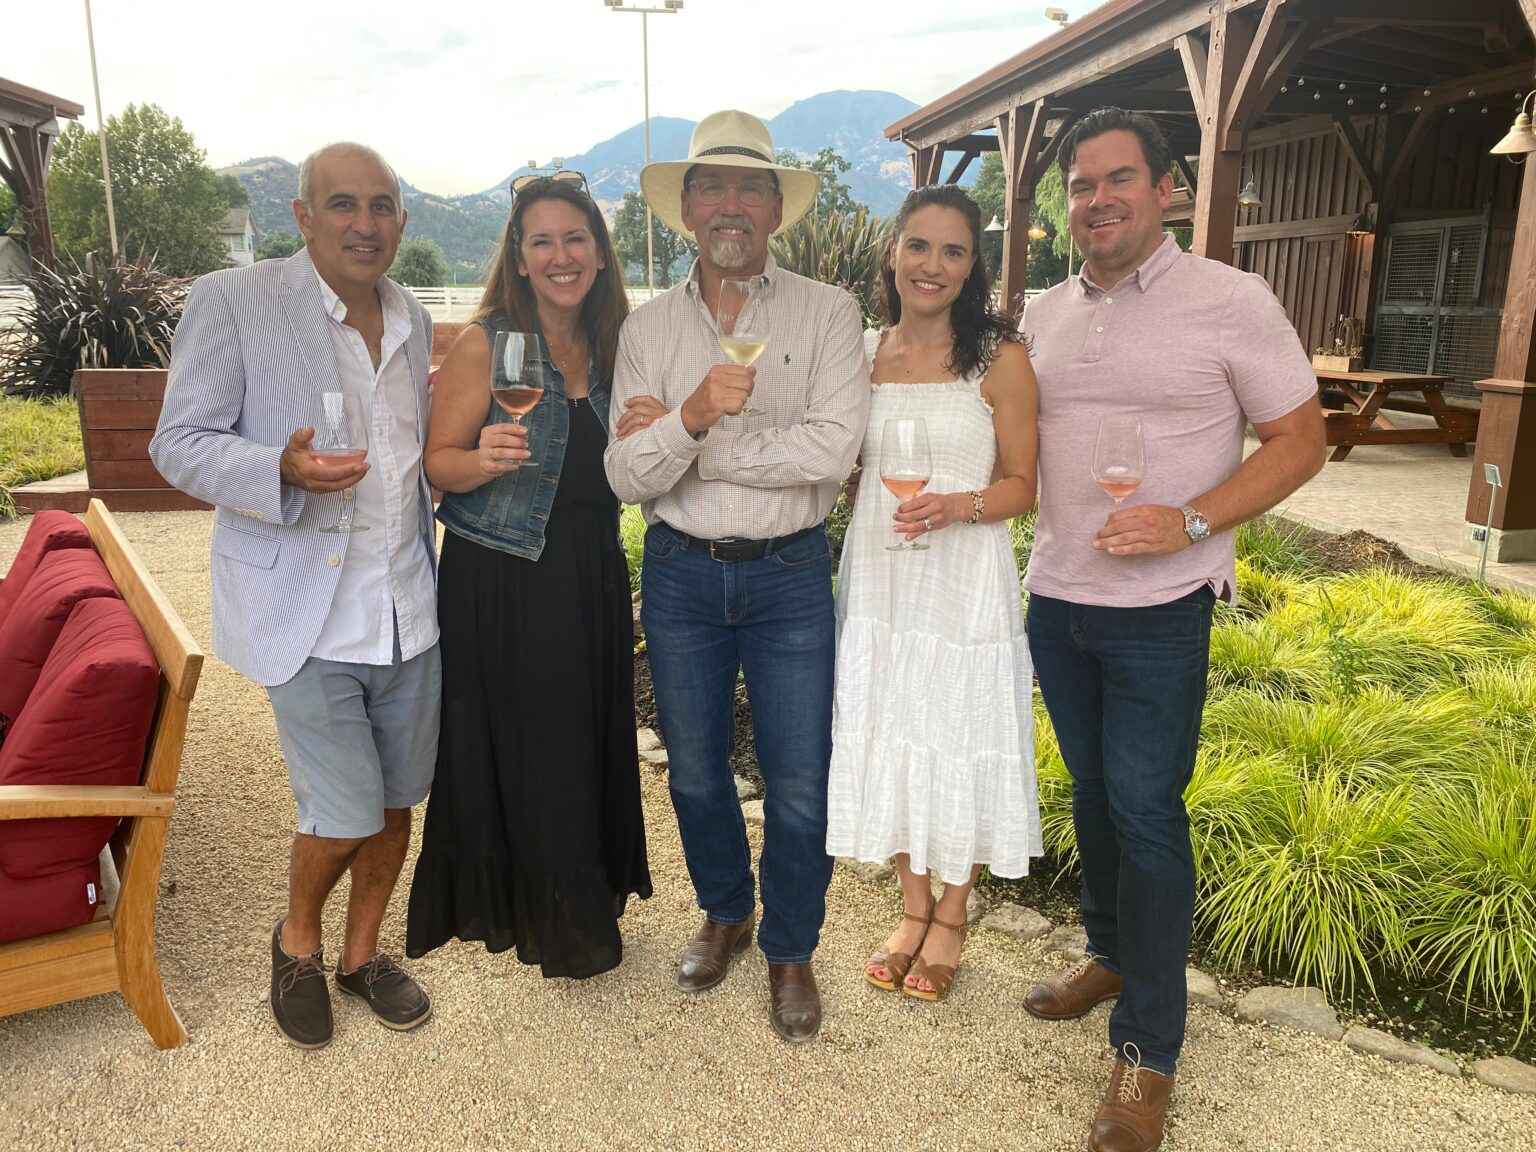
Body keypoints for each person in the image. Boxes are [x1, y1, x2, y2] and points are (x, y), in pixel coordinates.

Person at [1020, 108, 1325, 1152]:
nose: (1095, 200)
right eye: (1080, 185)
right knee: (1094, 797)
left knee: (1147, 814)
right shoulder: (1040, 312)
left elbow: (1301, 439)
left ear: (1167, 189)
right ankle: (1111, 953)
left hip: (1160, 611)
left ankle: (1148, 1050)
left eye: (1117, 179)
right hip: (1056, 600)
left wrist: (1193, 520)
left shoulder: (1232, 301)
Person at [151, 142, 440, 1049]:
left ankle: (361, 954)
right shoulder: (234, 301)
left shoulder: (413, 318)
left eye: (383, 205)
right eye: (344, 204)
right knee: (343, 808)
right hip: (304, 614)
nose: (366, 223)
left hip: (409, 610)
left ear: (400, 219)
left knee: (397, 804)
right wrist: (277, 465)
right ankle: (297, 940)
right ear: (302, 216)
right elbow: (179, 442)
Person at [604, 110, 870, 1043]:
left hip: (791, 574)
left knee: (801, 778)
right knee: (695, 774)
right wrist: (685, 420)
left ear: (774, 208)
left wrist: (693, 443)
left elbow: (833, 453)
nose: (730, 203)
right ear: (685, 209)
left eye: (748, 186)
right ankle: (728, 909)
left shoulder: (829, 312)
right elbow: (625, 474)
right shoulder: (647, 329)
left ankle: (791, 946)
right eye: (710, 186)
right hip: (680, 575)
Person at [404, 172, 651, 979]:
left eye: (574, 238)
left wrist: (650, 430)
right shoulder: (487, 340)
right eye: (541, 241)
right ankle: (555, 924)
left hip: (590, 573)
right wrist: (478, 461)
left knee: (585, 741)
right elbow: (436, 464)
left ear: (598, 252)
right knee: (535, 746)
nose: (560, 255)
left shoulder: (618, 342)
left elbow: (638, 462)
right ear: (517, 256)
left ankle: (582, 896)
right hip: (506, 577)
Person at [827, 184, 1041, 1002]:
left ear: (972, 266)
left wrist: (959, 505)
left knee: (961, 731)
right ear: (894, 252)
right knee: (895, 726)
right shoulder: (864, 355)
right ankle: (912, 908)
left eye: (953, 251)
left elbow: (1026, 486)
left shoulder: (1000, 359)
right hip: (883, 578)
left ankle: (954, 914)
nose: (933, 265)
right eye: (920, 246)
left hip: (962, 581)